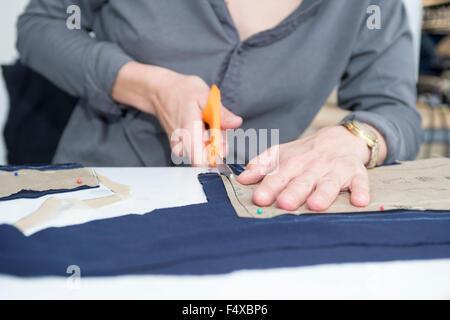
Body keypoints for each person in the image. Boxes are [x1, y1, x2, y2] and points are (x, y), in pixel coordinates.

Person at [16, 0, 422, 211]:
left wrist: (355, 139)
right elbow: (40, 26)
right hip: (96, 194)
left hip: (257, 206)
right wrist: (150, 86)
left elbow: (395, 110)